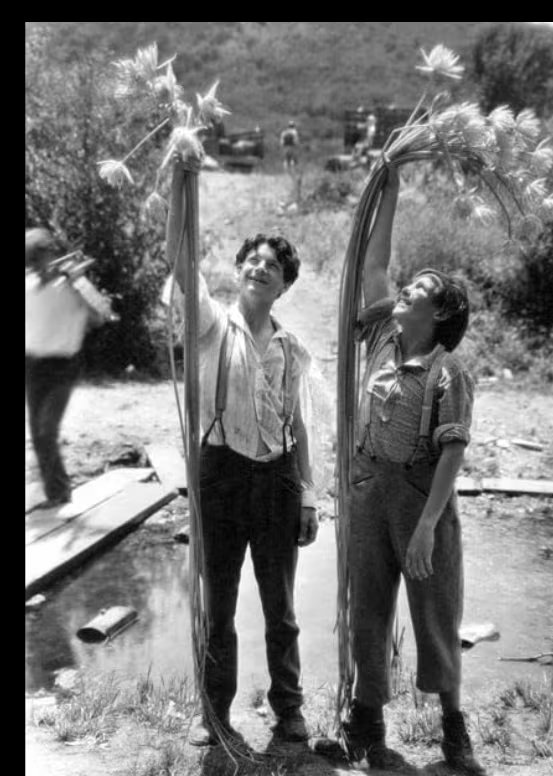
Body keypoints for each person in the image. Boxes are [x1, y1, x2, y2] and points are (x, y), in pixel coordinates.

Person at [165, 158, 319, 747]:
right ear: (238, 272)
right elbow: (181, 256)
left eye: (273, 266)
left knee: (279, 609)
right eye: (252, 260)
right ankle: (214, 712)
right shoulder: (209, 324)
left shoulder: (291, 347)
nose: (260, 268)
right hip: (220, 475)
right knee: (218, 603)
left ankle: (289, 710)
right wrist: (184, 181)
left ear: (284, 284)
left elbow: (299, 425)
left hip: (278, 479)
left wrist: (307, 497)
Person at [341, 165, 485, 774]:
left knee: (435, 608)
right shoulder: (382, 340)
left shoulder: (449, 371)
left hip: (423, 499)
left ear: (440, 311)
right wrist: (388, 191)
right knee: (367, 606)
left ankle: (454, 729)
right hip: (371, 489)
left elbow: (453, 451)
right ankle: (367, 721)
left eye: (417, 288)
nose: (402, 290)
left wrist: (428, 525)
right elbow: (375, 266)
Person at [25, 228, 112, 508]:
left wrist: (77, 282)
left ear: (51, 253)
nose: (37, 263)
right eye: (31, 258)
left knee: (46, 430)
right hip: (33, 365)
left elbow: (101, 316)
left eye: (40, 255)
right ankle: (56, 493)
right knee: (37, 433)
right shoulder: (27, 285)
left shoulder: (74, 285)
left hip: (63, 366)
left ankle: (60, 492)